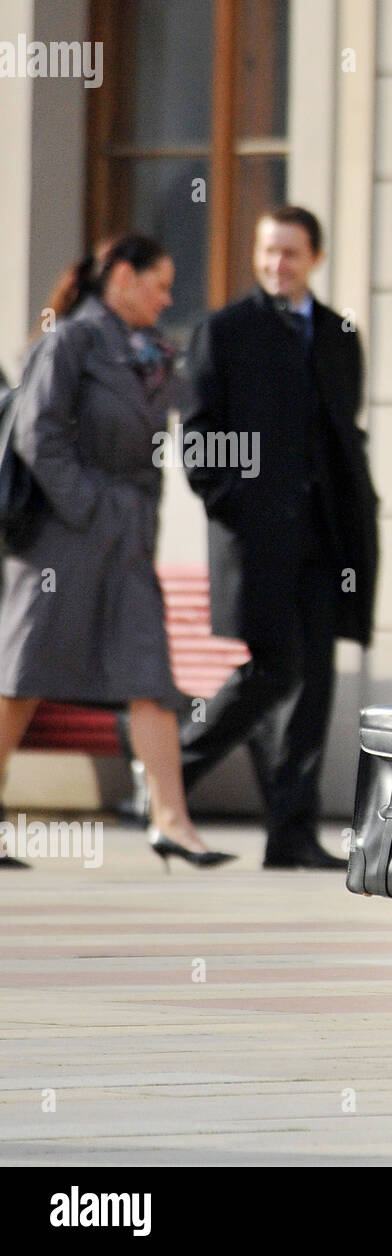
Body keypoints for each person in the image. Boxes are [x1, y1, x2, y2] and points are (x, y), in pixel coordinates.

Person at [0, 236, 233, 870]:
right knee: (21, 680)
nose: (167, 298)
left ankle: (173, 822)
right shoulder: (70, 340)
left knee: (149, 676)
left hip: (127, 540)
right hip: (59, 540)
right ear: (123, 277)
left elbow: (171, 437)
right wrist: (88, 507)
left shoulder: (153, 353)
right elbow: (35, 433)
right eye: (159, 284)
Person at [179, 206, 379, 870]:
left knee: (314, 679)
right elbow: (201, 437)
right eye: (268, 252)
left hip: (326, 539)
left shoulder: (338, 333)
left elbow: (342, 430)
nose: (277, 265)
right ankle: (171, 772)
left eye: (290, 254)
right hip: (257, 539)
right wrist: (235, 500)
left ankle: (290, 835)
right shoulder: (225, 331)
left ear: (313, 257)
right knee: (275, 668)